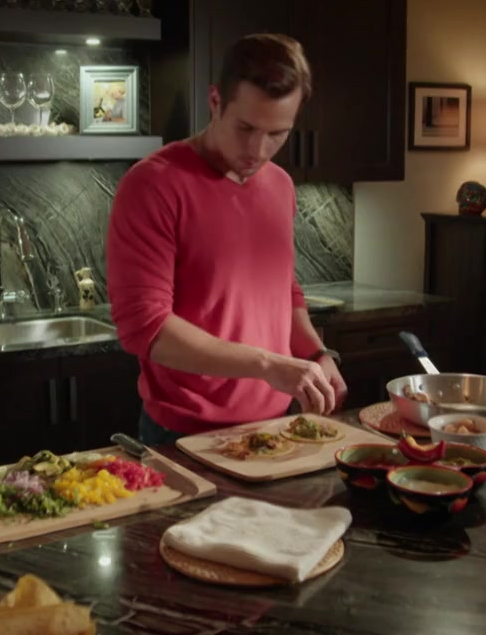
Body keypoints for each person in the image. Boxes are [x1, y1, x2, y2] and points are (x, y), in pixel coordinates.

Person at [105, 33, 347, 446]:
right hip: (183, 434)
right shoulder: (153, 185)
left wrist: (315, 354)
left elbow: (283, 291)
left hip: (276, 426)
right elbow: (146, 328)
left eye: (277, 133)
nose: (258, 150)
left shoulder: (280, 186)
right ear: (215, 101)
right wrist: (268, 365)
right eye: (245, 127)